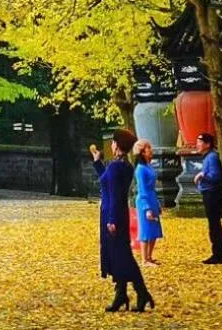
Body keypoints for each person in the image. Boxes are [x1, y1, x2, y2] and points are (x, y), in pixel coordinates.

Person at [90, 131, 155, 313]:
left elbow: (116, 195)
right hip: (115, 214)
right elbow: (106, 183)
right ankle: (122, 295)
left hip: (113, 215)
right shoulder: (121, 165)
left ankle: (140, 293)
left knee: (123, 256)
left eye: (113, 143)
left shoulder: (117, 167)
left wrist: (111, 219)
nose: (111, 145)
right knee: (119, 256)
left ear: (117, 145)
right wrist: (97, 162)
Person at [193, 132, 222, 264]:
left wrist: (202, 175)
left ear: (208, 144)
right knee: (214, 224)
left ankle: (218, 254)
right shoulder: (208, 157)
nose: (197, 145)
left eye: (200, 142)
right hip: (209, 193)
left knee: (214, 225)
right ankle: (219, 253)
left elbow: (216, 176)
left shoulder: (212, 157)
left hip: (212, 194)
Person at [131, 139, 162, 265]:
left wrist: (157, 203)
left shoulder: (149, 166)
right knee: (145, 229)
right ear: (142, 152)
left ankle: (149, 256)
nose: (151, 150)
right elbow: (142, 189)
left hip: (152, 197)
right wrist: (146, 208)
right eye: (148, 148)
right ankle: (144, 259)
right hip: (144, 199)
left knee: (154, 229)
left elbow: (152, 187)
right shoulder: (140, 169)